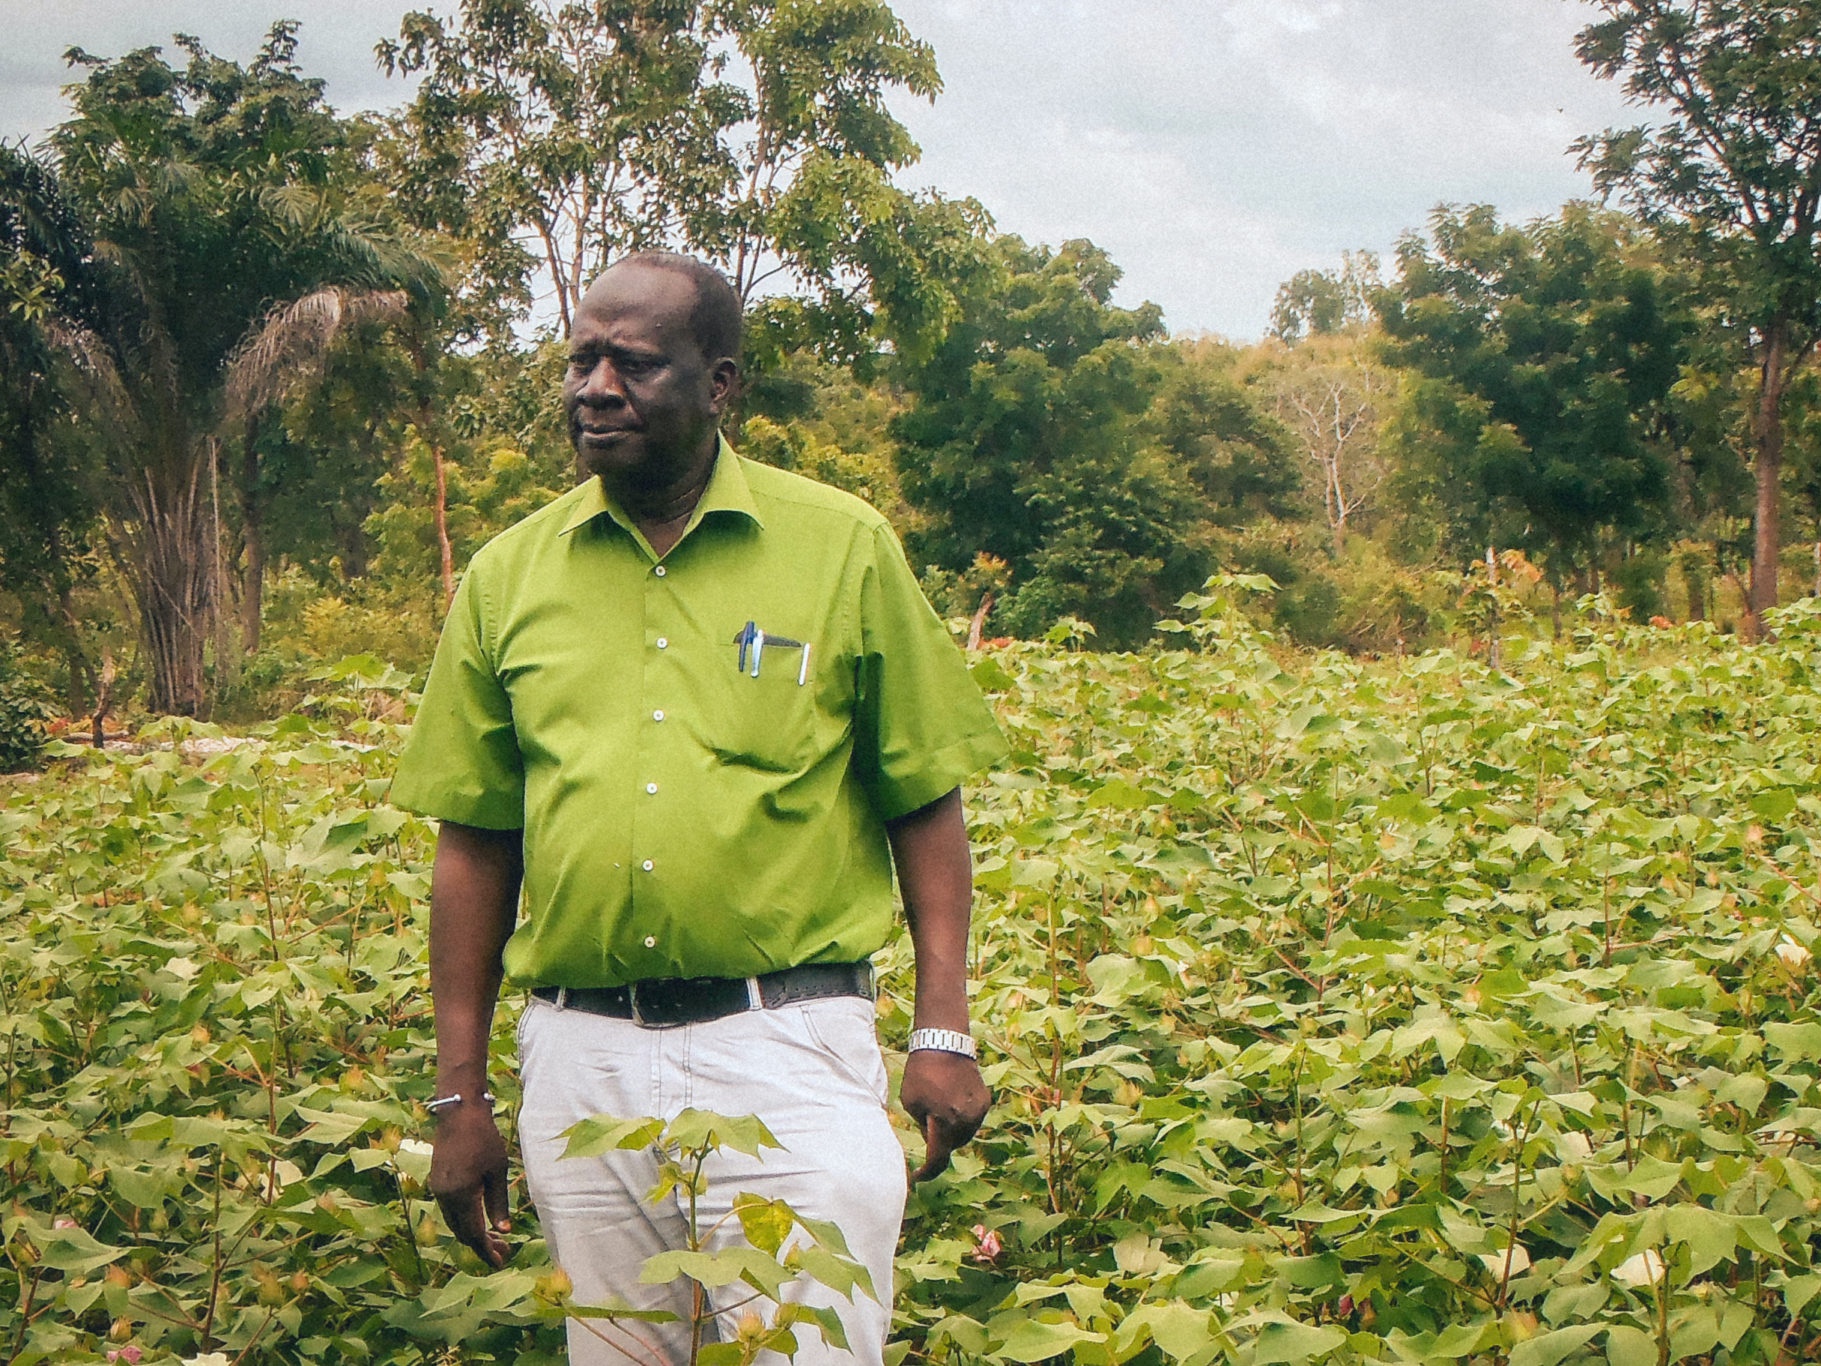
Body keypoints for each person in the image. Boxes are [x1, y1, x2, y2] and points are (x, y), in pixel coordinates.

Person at [389, 250, 1008, 1366]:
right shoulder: (508, 576)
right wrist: (457, 1096)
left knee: (810, 1348)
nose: (595, 389)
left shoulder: (841, 548)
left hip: (788, 1045)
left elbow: (925, 801)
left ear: (720, 385)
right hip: (583, 1058)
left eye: (633, 363)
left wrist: (941, 1029)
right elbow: (475, 847)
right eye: (581, 361)